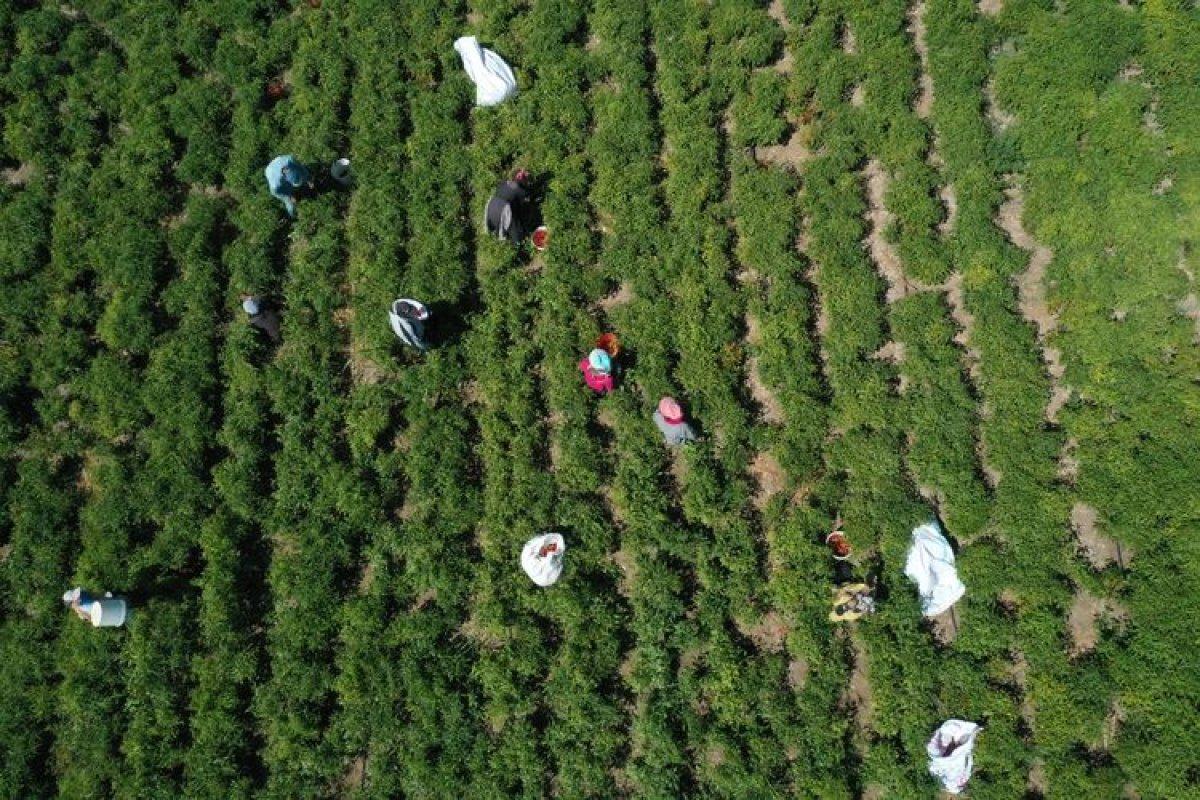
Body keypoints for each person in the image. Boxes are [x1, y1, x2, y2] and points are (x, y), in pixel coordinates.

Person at [484, 169, 532, 243]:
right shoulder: (520, 190)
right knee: (518, 234)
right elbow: (527, 198)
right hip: (503, 209)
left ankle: (495, 230)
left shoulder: (504, 183)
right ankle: (517, 241)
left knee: (496, 221)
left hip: (491, 204)